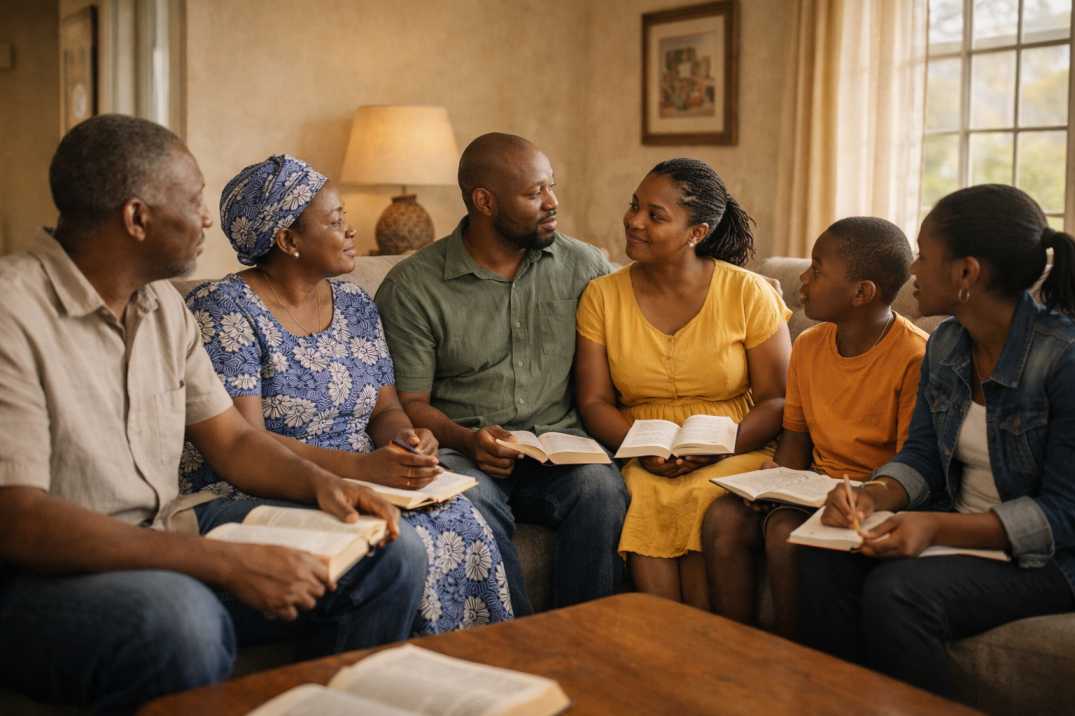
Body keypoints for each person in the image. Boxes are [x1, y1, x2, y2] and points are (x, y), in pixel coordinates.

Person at [0, 116, 426, 713]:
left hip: (163, 539)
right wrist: (224, 561)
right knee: (181, 619)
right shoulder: (11, 311)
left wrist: (330, 487)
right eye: (195, 200)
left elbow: (232, 440)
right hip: (42, 581)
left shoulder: (164, 311)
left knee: (389, 552)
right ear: (137, 217)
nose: (207, 218)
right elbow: (20, 520)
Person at [180, 154, 512, 634]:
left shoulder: (354, 301)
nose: (351, 231)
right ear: (288, 240)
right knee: (400, 541)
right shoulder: (223, 311)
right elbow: (244, 442)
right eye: (336, 221)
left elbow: (385, 410)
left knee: (464, 514)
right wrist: (360, 470)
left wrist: (407, 440)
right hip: (267, 484)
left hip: (367, 476)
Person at [798, 185, 1075, 698]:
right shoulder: (947, 343)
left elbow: (1064, 514)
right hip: (958, 527)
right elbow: (922, 456)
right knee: (820, 556)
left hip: (1051, 560)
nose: (913, 271)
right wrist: (874, 494)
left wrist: (932, 526)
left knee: (896, 592)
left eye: (924, 256)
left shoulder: (1062, 358)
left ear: (967, 273)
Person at [375, 133, 629, 614]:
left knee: (601, 490)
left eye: (551, 187)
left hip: (560, 448)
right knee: (466, 502)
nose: (552, 203)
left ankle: (588, 641)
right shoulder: (413, 287)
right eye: (535, 193)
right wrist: (469, 441)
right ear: (485, 201)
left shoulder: (585, 266)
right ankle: (520, 645)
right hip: (464, 452)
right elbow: (408, 404)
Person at [575, 158, 792, 608]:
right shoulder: (602, 295)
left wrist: (718, 447)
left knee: (705, 494)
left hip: (735, 445)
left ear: (697, 233)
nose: (634, 221)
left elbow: (776, 400)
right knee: (641, 491)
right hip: (642, 449)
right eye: (635, 206)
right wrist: (642, 448)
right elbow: (594, 401)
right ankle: (666, 645)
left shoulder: (749, 292)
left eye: (655, 215)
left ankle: (708, 651)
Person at [702, 217, 927, 637]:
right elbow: (795, 437)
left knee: (787, 532)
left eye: (818, 270)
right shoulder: (808, 345)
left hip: (868, 499)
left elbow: (911, 462)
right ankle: (732, 648)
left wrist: (857, 496)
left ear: (862, 293)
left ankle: (795, 662)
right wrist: (774, 485)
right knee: (723, 518)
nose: (803, 278)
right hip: (811, 486)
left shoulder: (914, 357)